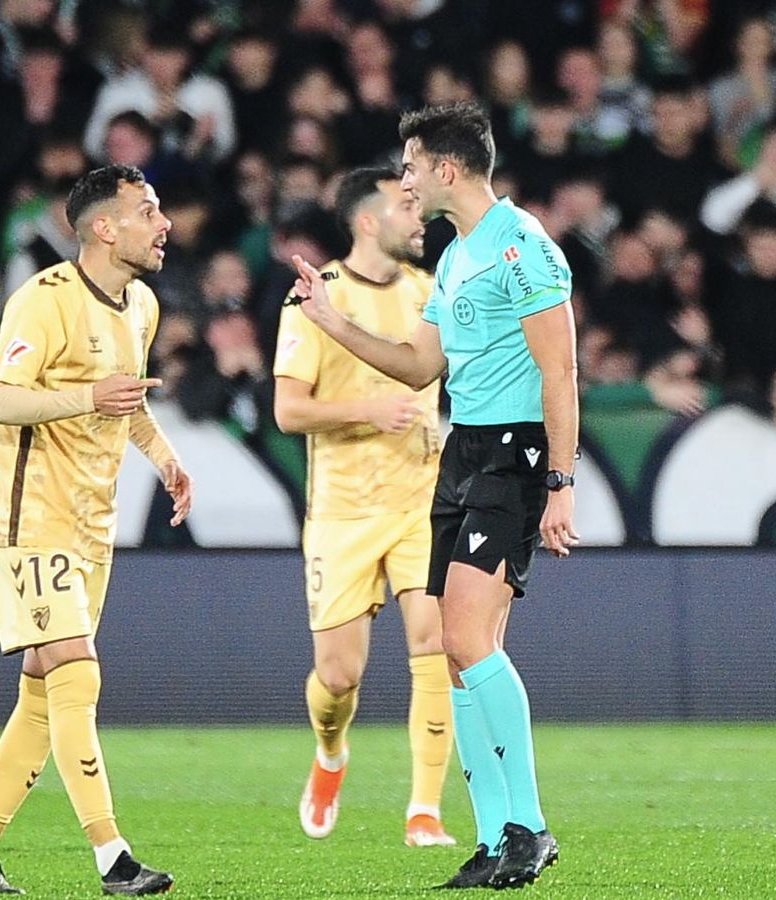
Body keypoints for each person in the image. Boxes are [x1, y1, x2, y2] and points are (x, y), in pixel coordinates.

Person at [288, 102, 577, 890]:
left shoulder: (524, 249)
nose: (405, 179)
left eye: (411, 165)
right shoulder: (453, 259)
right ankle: (493, 838)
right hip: (462, 454)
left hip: (514, 457)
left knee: (470, 641)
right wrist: (330, 318)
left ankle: (530, 827)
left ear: (447, 170)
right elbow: (418, 367)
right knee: (456, 654)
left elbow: (560, 371)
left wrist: (560, 481)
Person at [0, 165, 191, 896]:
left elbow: (125, 402)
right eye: (148, 211)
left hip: (95, 525)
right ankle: (112, 856)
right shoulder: (44, 301)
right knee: (77, 670)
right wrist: (83, 395)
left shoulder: (142, 307)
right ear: (105, 227)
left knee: (41, 691)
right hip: (34, 517)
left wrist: (165, 459)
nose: (165, 225)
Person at [272, 165, 456, 848]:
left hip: (420, 500)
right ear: (367, 221)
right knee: (338, 676)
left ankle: (425, 810)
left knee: (435, 644)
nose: (420, 220)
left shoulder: (431, 291)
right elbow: (288, 410)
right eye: (406, 208)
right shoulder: (316, 298)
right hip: (343, 512)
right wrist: (367, 409)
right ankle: (330, 754)